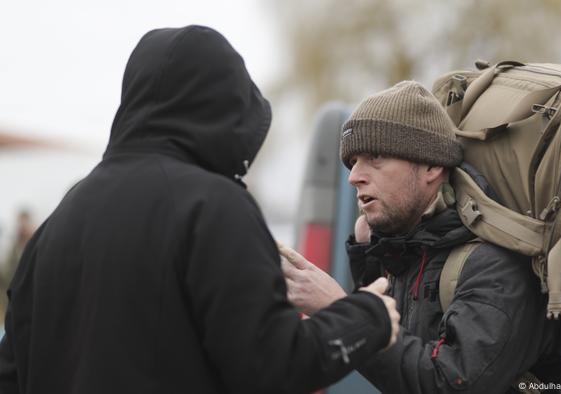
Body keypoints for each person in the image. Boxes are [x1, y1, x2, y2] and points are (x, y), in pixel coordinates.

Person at [0, 25, 400, 394]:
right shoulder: (212, 206)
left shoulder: (58, 222)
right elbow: (271, 365)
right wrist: (367, 317)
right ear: (226, 108)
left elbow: (10, 374)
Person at [282, 81, 561, 393]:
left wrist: (341, 311)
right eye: (352, 162)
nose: (354, 176)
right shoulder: (408, 254)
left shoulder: (494, 265)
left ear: (431, 165)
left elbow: (449, 383)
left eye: (375, 157)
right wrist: (367, 258)